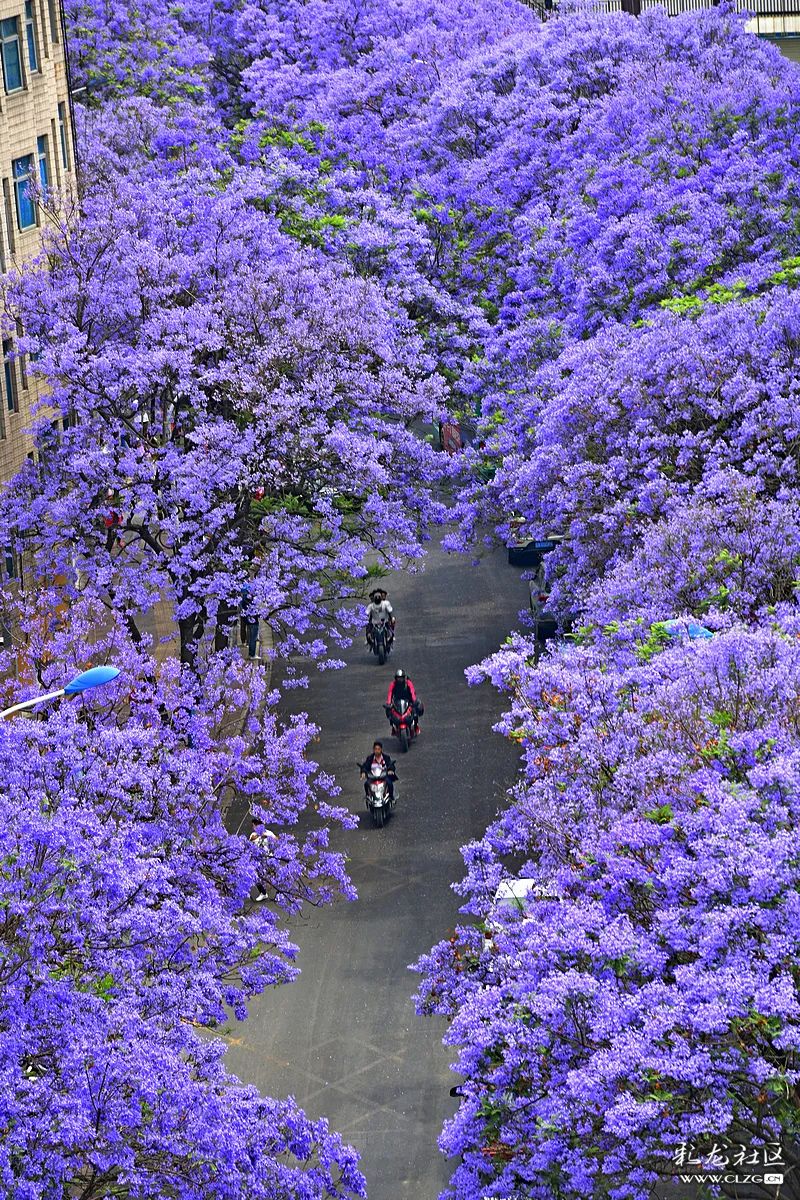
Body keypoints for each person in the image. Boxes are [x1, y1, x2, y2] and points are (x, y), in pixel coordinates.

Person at [359, 740, 397, 805]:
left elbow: (390, 764)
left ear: (381, 749)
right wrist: (363, 772)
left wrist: (390, 770)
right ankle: (368, 797)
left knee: (390, 783)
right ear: (373, 750)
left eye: (378, 749)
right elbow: (365, 766)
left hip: (383, 776)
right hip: (373, 777)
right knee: (366, 784)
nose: (377, 751)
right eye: (375, 749)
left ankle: (391, 797)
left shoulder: (386, 757)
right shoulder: (370, 758)